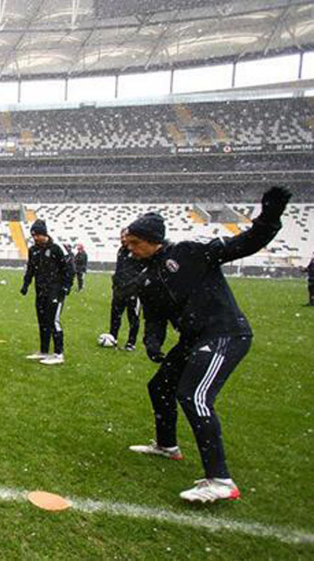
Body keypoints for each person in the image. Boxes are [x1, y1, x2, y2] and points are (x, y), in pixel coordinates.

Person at [124, 187, 290, 503]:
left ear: (153, 240)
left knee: (194, 395)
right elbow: (155, 316)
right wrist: (152, 341)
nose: (131, 249)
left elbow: (245, 244)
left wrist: (269, 218)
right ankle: (167, 446)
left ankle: (221, 480)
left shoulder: (189, 251)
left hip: (225, 333)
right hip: (193, 339)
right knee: (159, 386)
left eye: (136, 243)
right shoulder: (148, 275)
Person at [20, 220, 73, 365]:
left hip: (55, 291)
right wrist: (26, 284)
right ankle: (43, 351)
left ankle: (58, 353)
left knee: (53, 321)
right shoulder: (33, 250)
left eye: (37, 234)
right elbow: (30, 268)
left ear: (44, 233)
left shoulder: (56, 248)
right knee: (42, 321)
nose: (35, 238)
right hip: (41, 291)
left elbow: (68, 269)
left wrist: (66, 287)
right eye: (33, 235)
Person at [104, 229, 142, 351]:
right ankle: (112, 338)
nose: (123, 238)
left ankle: (131, 343)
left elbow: (142, 272)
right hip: (119, 290)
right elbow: (119, 269)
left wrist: (135, 286)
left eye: (125, 236)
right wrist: (115, 282)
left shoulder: (138, 251)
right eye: (121, 236)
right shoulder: (121, 251)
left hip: (133, 291)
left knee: (133, 317)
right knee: (115, 315)